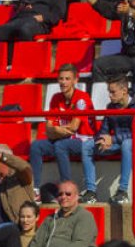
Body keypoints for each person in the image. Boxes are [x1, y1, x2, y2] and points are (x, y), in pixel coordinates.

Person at [29, 64, 97, 203]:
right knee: (36, 146)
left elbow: (73, 127)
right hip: (63, 140)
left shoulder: (81, 98)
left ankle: (67, 189)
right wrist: (57, 130)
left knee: (61, 145)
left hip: (83, 141)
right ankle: (35, 189)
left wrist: (56, 130)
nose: (63, 82)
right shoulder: (55, 98)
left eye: (67, 79)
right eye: (61, 79)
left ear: (75, 80)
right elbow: (48, 129)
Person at [28, 180, 98, 247]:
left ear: (77, 196)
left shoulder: (84, 216)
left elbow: (80, 244)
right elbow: (36, 242)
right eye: (60, 194)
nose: (63, 197)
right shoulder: (50, 218)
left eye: (68, 194)